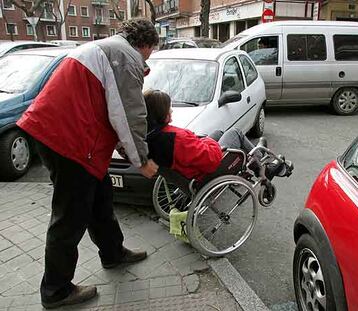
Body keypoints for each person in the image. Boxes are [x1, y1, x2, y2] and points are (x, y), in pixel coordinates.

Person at [16, 18, 159, 309]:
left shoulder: (102, 48)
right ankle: (56, 290)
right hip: (70, 141)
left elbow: (107, 106)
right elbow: (130, 114)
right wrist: (141, 160)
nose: (148, 57)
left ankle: (113, 252)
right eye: (151, 51)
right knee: (70, 215)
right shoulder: (126, 56)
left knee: (100, 195)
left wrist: (123, 145)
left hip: (57, 133)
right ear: (145, 44)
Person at [143, 90, 292, 181]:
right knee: (235, 133)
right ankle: (263, 166)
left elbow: (188, 150)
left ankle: (256, 157)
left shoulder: (152, 137)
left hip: (187, 168)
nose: (172, 111)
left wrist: (201, 140)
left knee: (218, 133)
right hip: (205, 171)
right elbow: (210, 159)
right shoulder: (177, 138)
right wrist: (207, 142)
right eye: (169, 108)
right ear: (162, 114)